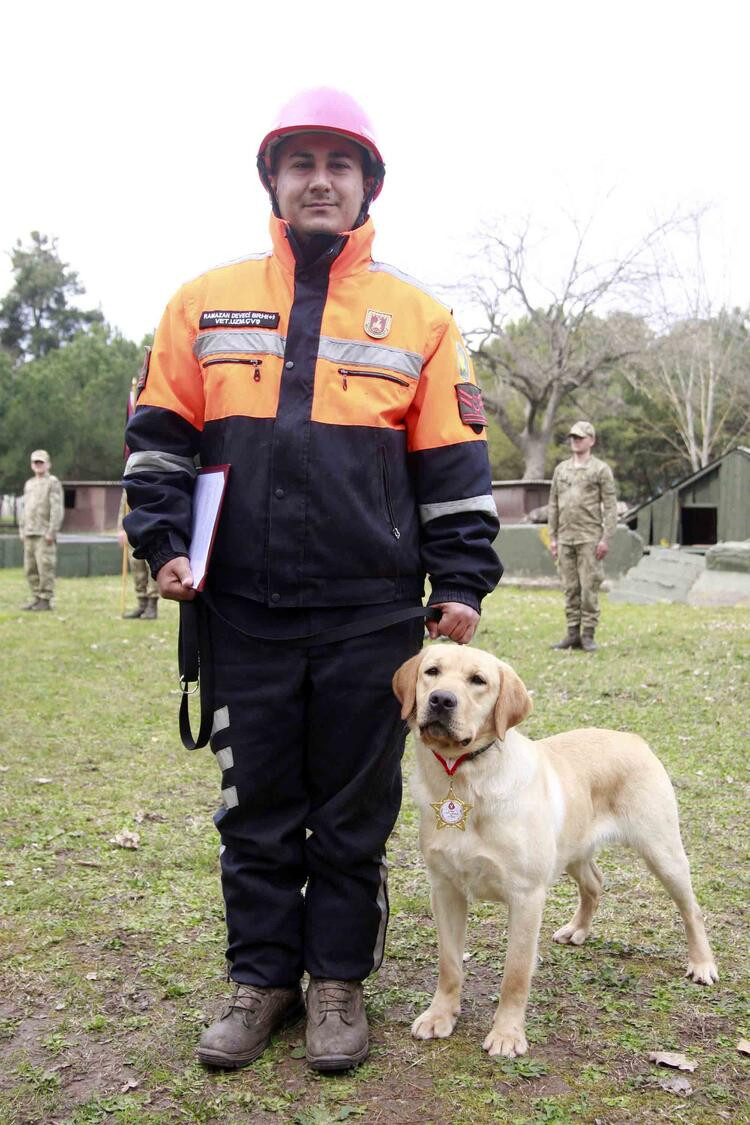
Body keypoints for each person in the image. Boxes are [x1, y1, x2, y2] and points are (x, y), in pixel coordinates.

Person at [123, 88, 502, 1072]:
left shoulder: (418, 315)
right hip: (238, 613)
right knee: (254, 811)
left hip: (370, 620)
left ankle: (336, 985)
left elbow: (454, 468)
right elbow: (158, 441)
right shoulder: (200, 303)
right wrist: (162, 540)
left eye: (340, 164)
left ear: (368, 186)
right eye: (301, 162)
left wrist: (459, 578)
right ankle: (260, 984)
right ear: (274, 182)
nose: (320, 179)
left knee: (350, 817)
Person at [547, 421, 617, 652]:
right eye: (572, 437)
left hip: (589, 537)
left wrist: (606, 537)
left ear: (591, 440)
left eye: (580, 437)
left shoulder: (600, 470)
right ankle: (572, 633)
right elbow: (553, 504)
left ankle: (588, 634)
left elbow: (610, 506)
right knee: (570, 588)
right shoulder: (561, 470)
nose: (575, 441)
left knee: (589, 588)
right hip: (566, 536)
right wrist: (553, 536)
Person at [20, 449, 64, 611]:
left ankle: (45, 599)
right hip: (29, 532)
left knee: (45, 567)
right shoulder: (29, 484)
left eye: (41, 462)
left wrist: (52, 531)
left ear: (48, 464)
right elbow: (25, 508)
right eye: (35, 462)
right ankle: (36, 597)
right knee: (30, 568)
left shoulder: (52, 482)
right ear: (32, 465)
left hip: (44, 533)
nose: (38, 465)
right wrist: (22, 529)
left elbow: (56, 508)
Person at [117, 490, 159, 618]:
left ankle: (152, 605)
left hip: (150, 527)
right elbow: (124, 505)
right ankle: (142, 604)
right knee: (136, 566)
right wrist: (121, 529)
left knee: (150, 566)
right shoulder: (129, 477)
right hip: (133, 529)